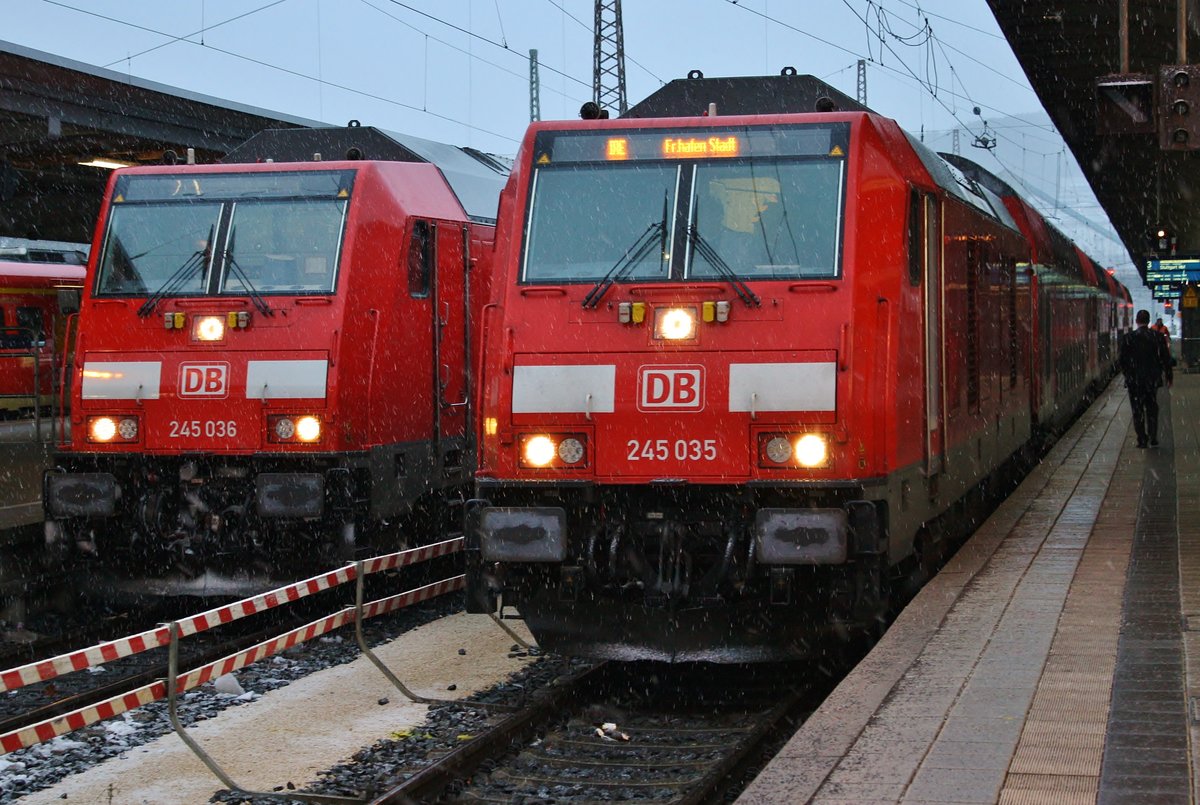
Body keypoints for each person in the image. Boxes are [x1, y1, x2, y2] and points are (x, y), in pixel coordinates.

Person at [1119, 309, 1173, 447]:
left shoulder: (1128, 338)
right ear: (1149, 321)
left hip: (1135, 382)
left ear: (1137, 321)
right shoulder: (1157, 337)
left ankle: (1142, 439)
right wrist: (1168, 375)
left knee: (1137, 410)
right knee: (1152, 408)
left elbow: (1122, 361)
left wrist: (1128, 375)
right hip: (1152, 380)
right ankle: (1153, 437)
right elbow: (1166, 358)